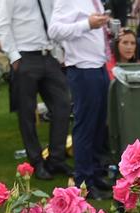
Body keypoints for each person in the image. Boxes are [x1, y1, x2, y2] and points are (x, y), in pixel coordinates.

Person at [0, 0, 72, 181]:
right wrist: (14, 57)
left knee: (63, 106)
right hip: (25, 57)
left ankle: (56, 158)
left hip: (48, 55)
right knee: (27, 113)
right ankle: (36, 161)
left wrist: (59, 53)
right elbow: (3, 25)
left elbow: (53, 19)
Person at [48, 0, 111, 198]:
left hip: (99, 65)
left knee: (99, 126)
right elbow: (54, 31)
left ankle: (96, 173)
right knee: (85, 127)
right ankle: (83, 181)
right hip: (83, 69)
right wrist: (87, 25)